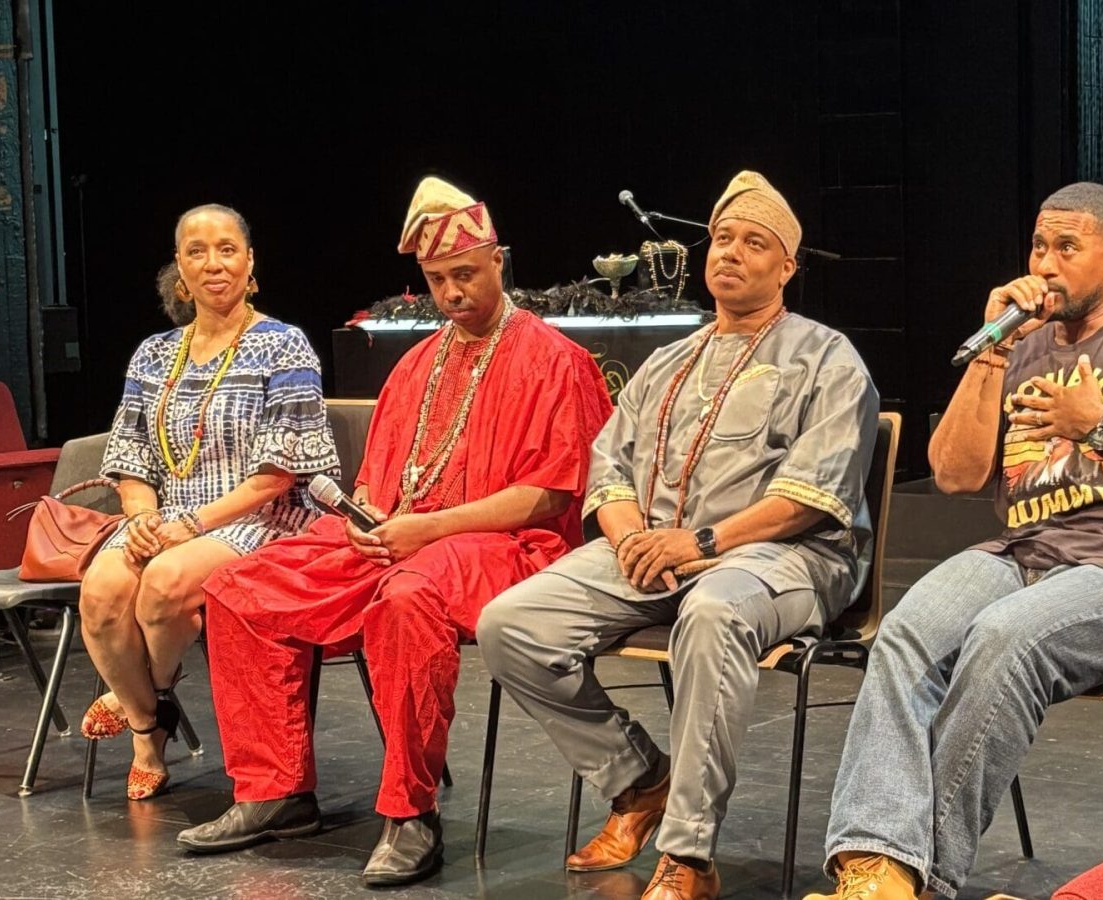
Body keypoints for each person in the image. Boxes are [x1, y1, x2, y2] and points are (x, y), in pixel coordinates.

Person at [807, 182, 1103, 900]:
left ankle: (927, 879)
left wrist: (1101, 425)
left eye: (1066, 248)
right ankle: (875, 868)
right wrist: (993, 352)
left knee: (1004, 636)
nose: (1045, 265)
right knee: (905, 634)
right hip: (1025, 556)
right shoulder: (1019, 347)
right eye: (1039, 247)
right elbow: (955, 475)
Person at [176, 177, 613, 887]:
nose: (452, 292)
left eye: (465, 274)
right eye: (437, 279)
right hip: (405, 540)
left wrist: (424, 531)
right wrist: (367, 519)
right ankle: (275, 793)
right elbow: (378, 481)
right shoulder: (415, 365)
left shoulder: (556, 362)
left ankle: (410, 812)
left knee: (408, 597)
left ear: (499, 261)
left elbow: (548, 495)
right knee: (237, 585)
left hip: (507, 550)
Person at [477, 171, 880, 900]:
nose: (730, 252)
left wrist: (698, 543)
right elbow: (609, 469)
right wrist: (631, 537)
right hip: (659, 553)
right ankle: (639, 781)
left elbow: (809, 499)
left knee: (714, 610)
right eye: (722, 238)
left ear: (787, 266)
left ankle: (688, 854)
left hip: (782, 558)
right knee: (510, 624)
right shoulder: (666, 360)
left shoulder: (828, 358)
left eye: (753, 243)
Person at [79, 204, 336, 801]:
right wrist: (143, 517)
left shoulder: (283, 346)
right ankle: (149, 724)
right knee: (100, 592)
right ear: (180, 268)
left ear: (250, 265)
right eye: (197, 251)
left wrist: (188, 526)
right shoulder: (153, 354)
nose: (213, 262)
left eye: (227, 249)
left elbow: (277, 476)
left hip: (262, 516)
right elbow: (130, 454)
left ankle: (142, 694)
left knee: (165, 583)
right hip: (166, 515)